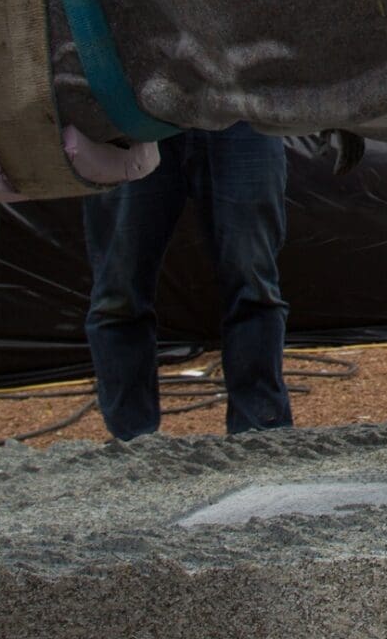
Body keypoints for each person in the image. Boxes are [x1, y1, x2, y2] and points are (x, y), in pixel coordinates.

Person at [83, 122, 293, 437]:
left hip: (238, 109)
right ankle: (132, 445)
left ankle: (261, 436)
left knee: (254, 286)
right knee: (119, 293)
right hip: (131, 111)